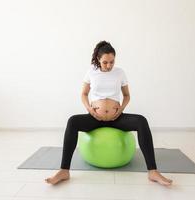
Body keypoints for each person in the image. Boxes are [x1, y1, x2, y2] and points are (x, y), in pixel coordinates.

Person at [45, 41, 173, 186]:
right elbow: (84, 94)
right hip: (95, 118)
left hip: (116, 118)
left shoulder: (120, 73)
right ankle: (64, 170)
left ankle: (153, 171)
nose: (108, 65)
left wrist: (121, 109)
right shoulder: (91, 72)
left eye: (112, 62)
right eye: (105, 62)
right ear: (98, 59)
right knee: (72, 121)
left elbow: (126, 95)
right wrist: (89, 109)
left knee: (141, 121)